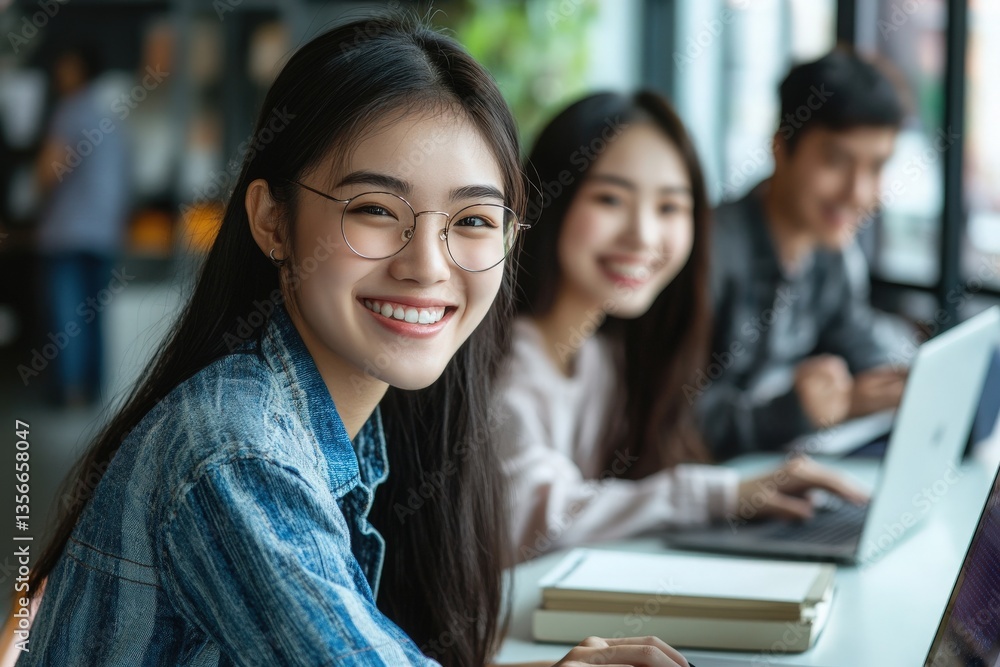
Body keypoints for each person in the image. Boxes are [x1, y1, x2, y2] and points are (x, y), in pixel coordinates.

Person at [18, 16, 696, 667]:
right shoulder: (238, 450)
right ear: (271, 220)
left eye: (473, 219)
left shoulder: (354, 428)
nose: (427, 265)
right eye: (375, 209)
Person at [499, 91, 867, 564]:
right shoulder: (508, 365)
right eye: (611, 199)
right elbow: (523, 517)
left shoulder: (602, 355)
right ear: (547, 198)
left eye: (670, 208)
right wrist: (717, 496)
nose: (644, 236)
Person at [697, 49, 908, 461]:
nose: (859, 193)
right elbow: (672, 423)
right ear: (781, 147)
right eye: (836, 161)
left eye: (877, 167)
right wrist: (792, 413)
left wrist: (909, 374)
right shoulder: (709, 255)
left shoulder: (831, 255)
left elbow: (863, 340)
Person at [33, 45, 131, 407]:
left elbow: (47, 172)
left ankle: (69, 392)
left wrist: (33, 189)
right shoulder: (112, 116)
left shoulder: (69, 110)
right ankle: (94, 392)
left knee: (66, 317)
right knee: (94, 314)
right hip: (105, 231)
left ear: (77, 70)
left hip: (67, 231)